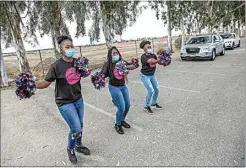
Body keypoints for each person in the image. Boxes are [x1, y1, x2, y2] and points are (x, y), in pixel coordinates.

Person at [35, 35, 90, 164]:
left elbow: (85, 73)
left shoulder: (77, 63)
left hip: (78, 99)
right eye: (67, 47)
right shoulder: (56, 66)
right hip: (64, 102)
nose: (71, 49)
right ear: (62, 50)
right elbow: (45, 83)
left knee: (80, 125)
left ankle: (78, 144)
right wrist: (33, 84)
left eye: (72, 46)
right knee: (75, 127)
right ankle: (70, 149)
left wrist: (86, 70)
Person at [100, 46, 137, 134]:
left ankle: (122, 120)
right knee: (121, 107)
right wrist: (99, 77)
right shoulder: (108, 64)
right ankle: (117, 124)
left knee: (127, 105)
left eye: (117, 53)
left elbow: (130, 66)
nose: (116, 55)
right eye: (114, 53)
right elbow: (103, 74)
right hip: (114, 87)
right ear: (110, 55)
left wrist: (135, 64)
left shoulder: (122, 62)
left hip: (123, 86)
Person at [139, 40, 163, 114]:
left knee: (156, 89)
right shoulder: (143, 57)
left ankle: (154, 103)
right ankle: (146, 106)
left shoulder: (153, 55)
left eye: (150, 46)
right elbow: (151, 62)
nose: (149, 47)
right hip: (145, 76)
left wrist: (164, 61)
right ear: (144, 48)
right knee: (151, 90)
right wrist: (159, 60)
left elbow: (158, 61)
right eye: (148, 46)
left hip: (152, 75)